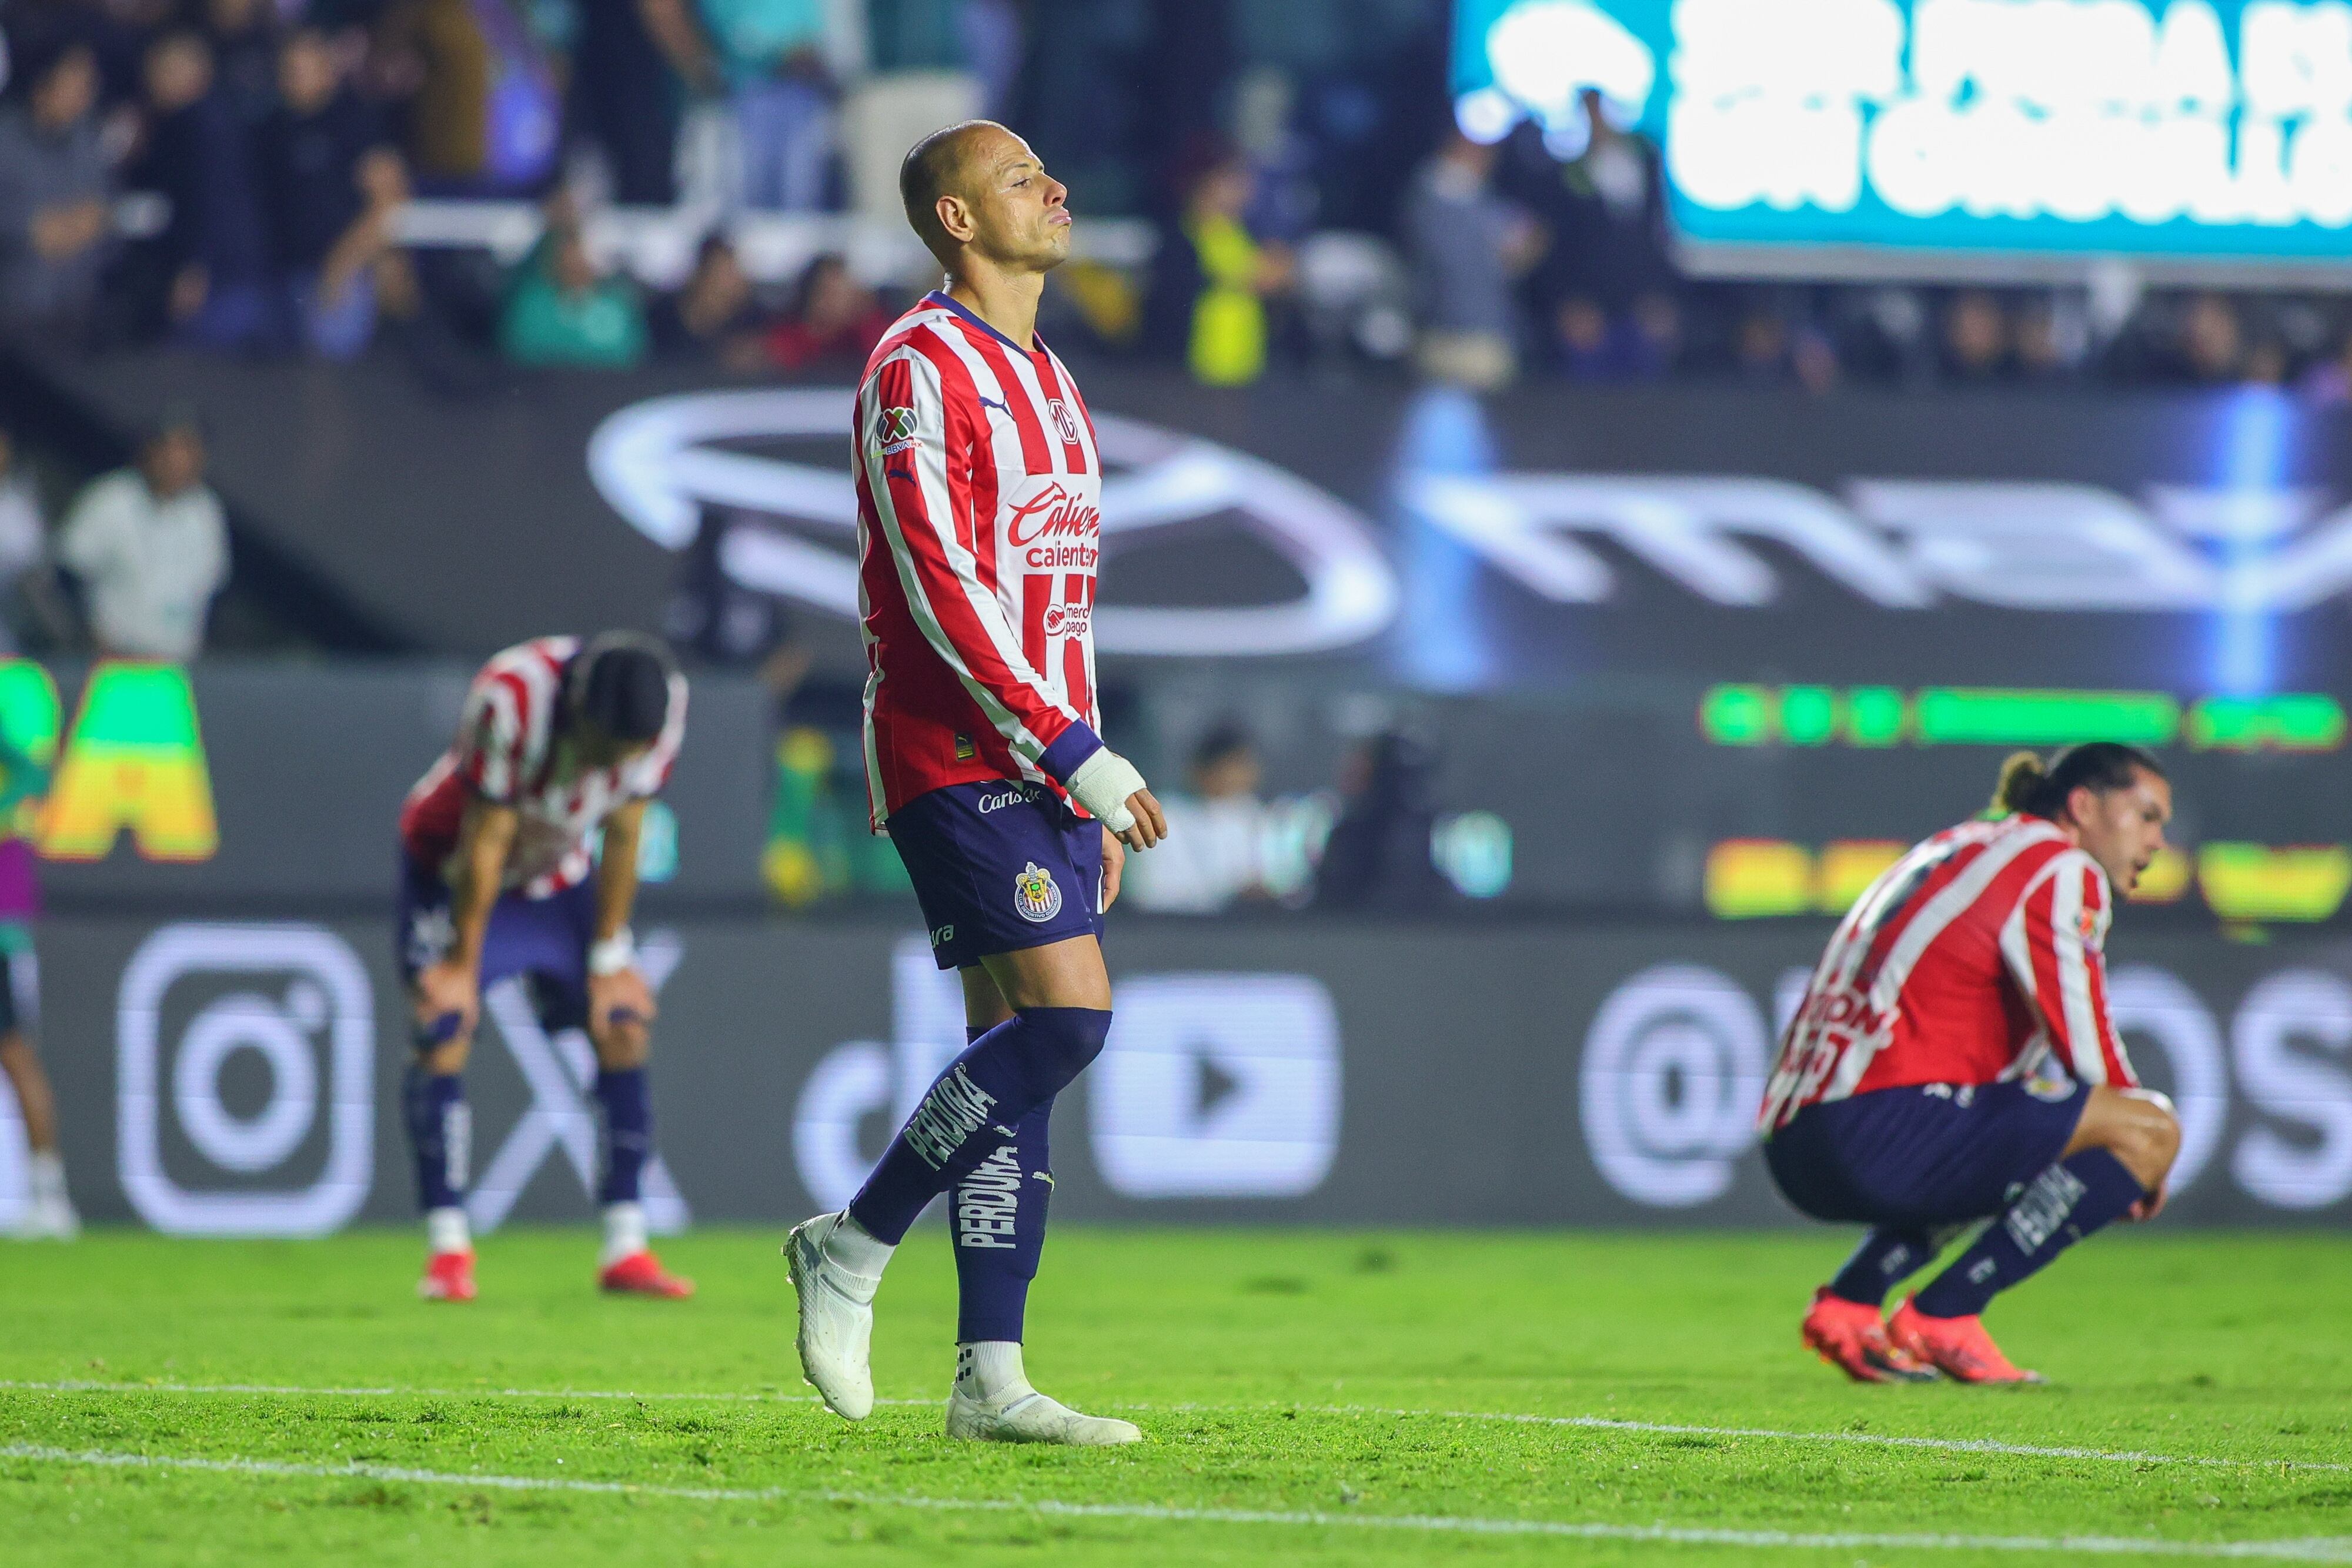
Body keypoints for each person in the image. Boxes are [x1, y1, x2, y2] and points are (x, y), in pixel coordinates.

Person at [786, 119, 1167, 1448]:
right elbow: (941, 586)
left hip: (1044, 763)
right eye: (1019, 179)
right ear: (955, 220)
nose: (1055, 190)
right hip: (950, 752)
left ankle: (986, 1377)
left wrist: (1088, 762)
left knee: (1011, 1052)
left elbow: (1061, 599)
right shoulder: (914, 367)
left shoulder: (1051, 382)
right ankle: (850, 1245)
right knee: (1069, 1020)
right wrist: (1073, 752)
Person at [1760, 744, 2183, 1385]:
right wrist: (2142, 1156)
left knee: (2010, 1120)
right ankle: (1945, 1314)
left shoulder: (1958, 843)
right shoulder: (2061, 865)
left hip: (1796, 1140)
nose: (2157, 840)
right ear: (2083, 805)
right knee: (2148, 1127)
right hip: (1877, 1129)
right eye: (2146, 816)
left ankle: (1850, 1303)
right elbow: (2084, 1038)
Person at [396, 632, 694, 1302]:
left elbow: (624, 829)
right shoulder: (512, 694)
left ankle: (626, 1245)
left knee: (622, 1022)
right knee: (445, 1023)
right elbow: (487, 838)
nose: (612, 764)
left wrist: (610, 955)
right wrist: (460, 964)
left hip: (557, 875)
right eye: (604, 748)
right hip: (454, 870)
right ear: (577, 709)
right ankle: (447, 1251)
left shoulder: (664, 703)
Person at [255, 29, 405, 359]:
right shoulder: (272, 127)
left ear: (326, 70)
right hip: (281, 274)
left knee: (330, 364)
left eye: (304, 68)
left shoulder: (354, 119)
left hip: (343, 272)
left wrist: (342, 265)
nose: (295, 78)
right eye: (288, 69)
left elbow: (389, 201)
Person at [56, 414, 229, 661]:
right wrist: (80, 635)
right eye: (168, 450)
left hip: (178, 664)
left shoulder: (206, 511)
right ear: (148, 451)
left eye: (187, 451)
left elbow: (214, 587)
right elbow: (65, 574)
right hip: (112, 662)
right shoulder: (110, 499)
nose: (176, 462)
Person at [0, 42, 112, 342]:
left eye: (87, 87)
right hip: (14, 310)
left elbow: (102, 214)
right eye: (72, 86)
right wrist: (27, 230)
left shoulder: (89, 144)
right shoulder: (6, 140)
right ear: (42, 86)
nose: (82, 97)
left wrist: (79, 227)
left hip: (75, 309)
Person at [1125, 721, 1269, 914]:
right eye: (1232, 766)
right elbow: (1148, 893)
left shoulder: (1254, 816)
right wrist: (1227, 897)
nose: (1240, 776)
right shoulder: (1163, 814)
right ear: (1202, 769)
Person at [500, 209, 647, 367]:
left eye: (581, 250)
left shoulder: (617, 306)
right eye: (567, 251)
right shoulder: (532, 304)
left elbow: (631, 355)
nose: (574, 261)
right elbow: (521, 349)